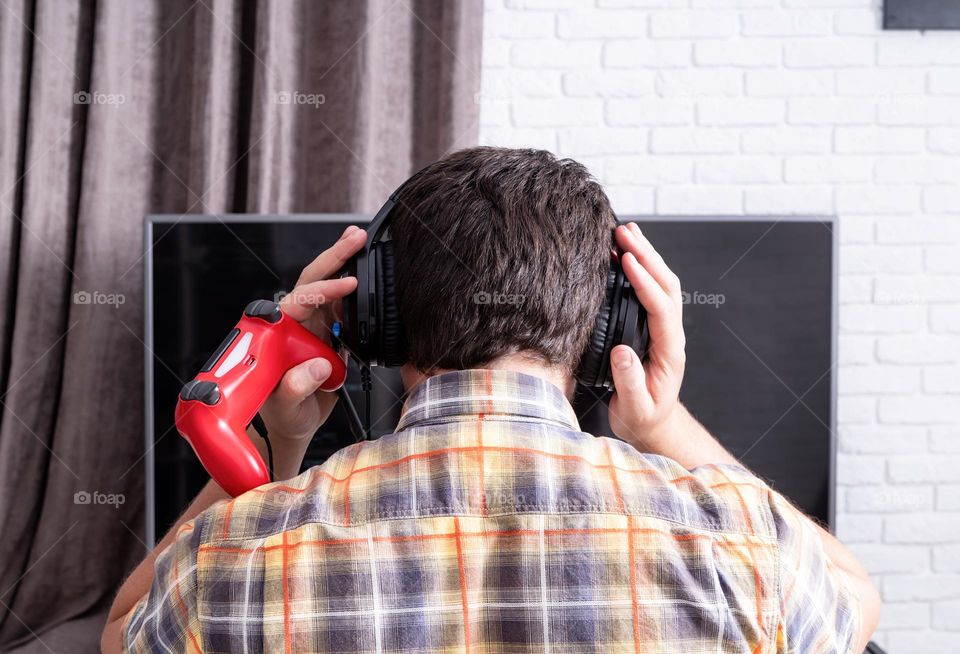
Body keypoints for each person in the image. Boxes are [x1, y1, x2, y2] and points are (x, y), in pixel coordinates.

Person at [102, 148, 879, 653]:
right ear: (614, 321)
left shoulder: (234, 557)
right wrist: (663, 423)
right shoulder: (742, 548)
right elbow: (858, 603)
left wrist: (274, 447)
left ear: (377, 315)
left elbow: (118, 635)